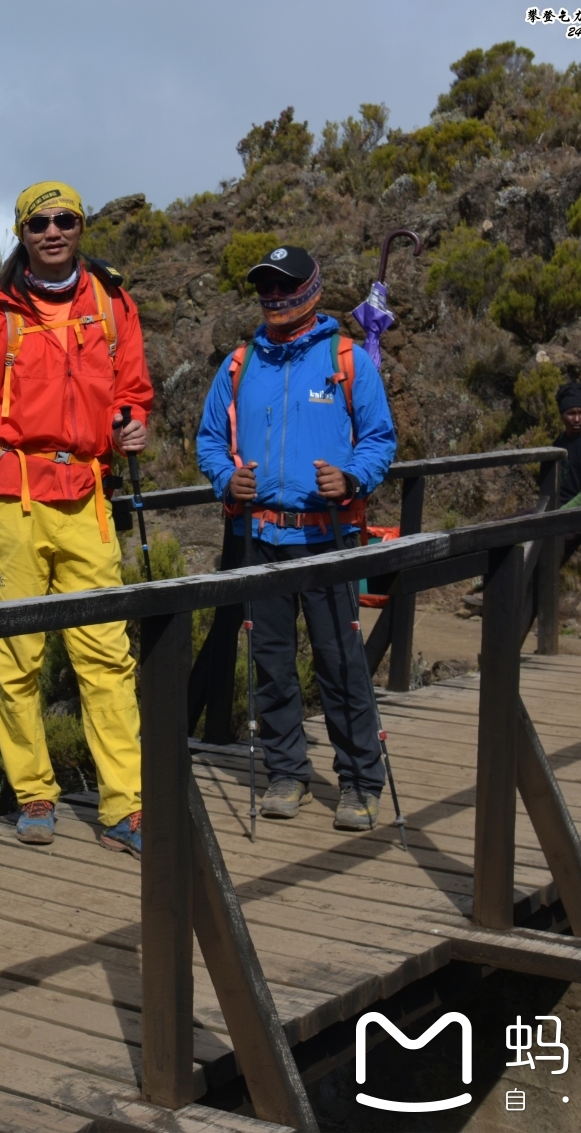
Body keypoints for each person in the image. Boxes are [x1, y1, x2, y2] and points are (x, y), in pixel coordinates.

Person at [0, 181, 153, 856]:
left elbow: (132, 387)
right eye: (38, 222)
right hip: (14, 501)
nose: (52, 231)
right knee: (16, 659)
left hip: (88, 497)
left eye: (64, 219)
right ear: (22, 232)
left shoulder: (111, 300)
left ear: (80, 226)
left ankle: (124, 804)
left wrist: (134, 423)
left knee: (106, 656)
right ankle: (33, 793)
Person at [195, 245, 397, 832]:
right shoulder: (238, 364)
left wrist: (353, 476)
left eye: (286, 285)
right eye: (266, 286)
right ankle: (287, 772)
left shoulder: (348, 359)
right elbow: (210, 440)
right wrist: (224, 477)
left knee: (341, 663)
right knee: (271, 664)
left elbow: (380, 440)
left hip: (328, 536)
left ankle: (361, 780)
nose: (275, 296)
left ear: (312, 287)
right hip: (259, 534)